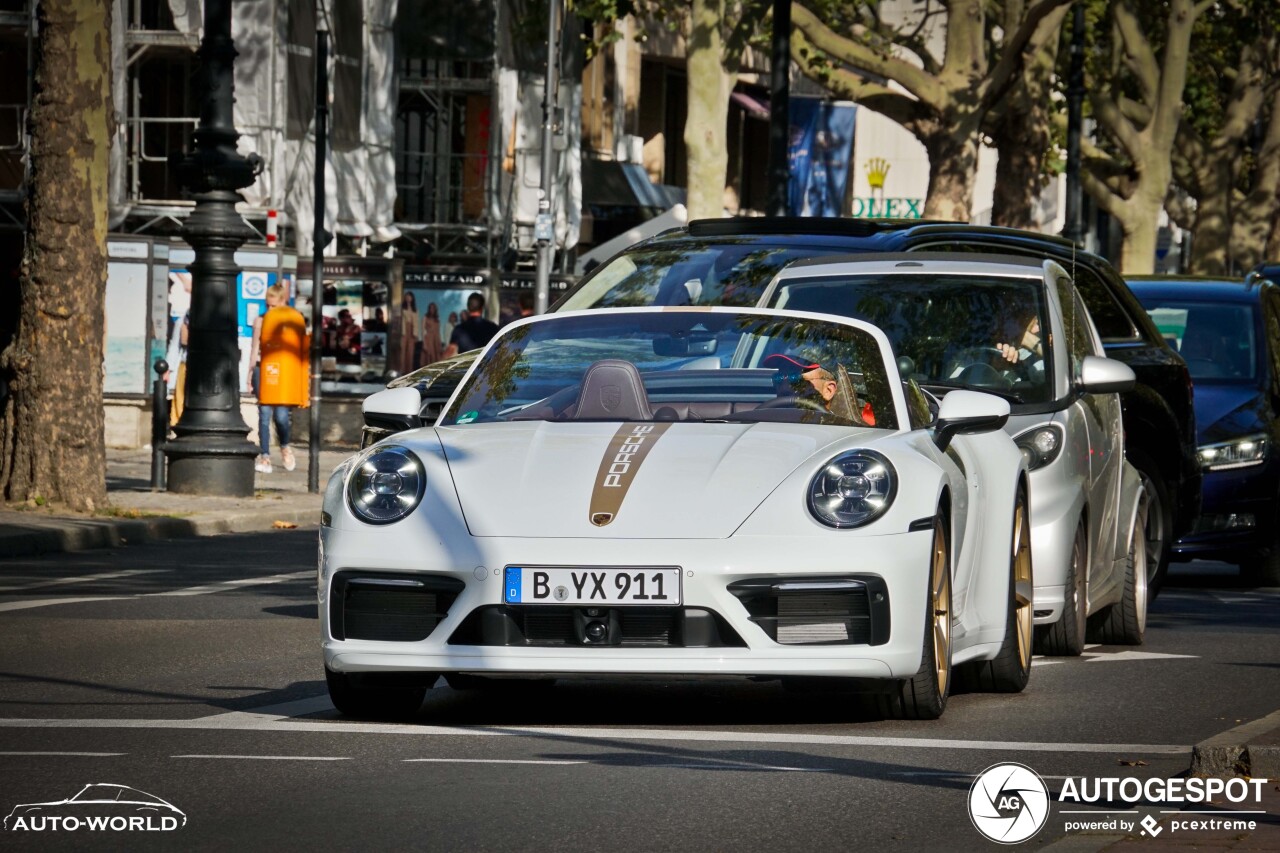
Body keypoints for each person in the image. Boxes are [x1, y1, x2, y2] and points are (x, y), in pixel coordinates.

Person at [248, 283, 309, 474]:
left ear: (283, 302)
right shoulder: (260, 320)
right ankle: (265, 456)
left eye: (273, 306)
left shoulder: (291, 321)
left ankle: (284, 446)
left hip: (283, 371)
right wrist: (250, 373)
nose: (270, 309)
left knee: (281, 416)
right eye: (268, 305)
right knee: (264, 414)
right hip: (262, 369)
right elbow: (254, 348)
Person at [443, 291, 499, 357]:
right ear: (482, 307)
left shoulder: (459, 329)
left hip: (466, 367)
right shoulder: (493, 328)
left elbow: (449, 352)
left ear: (468, 307)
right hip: (486, 366)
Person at [399, 292, 419, 371]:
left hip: (412, 331)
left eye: (410, 297)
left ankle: (408, 370)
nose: (408, 298)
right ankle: (401, 370)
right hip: (404, 330)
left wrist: (416, 334)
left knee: (410, 352)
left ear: (412, 298)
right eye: (407, 297)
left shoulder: (415, 309)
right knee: (402, 351)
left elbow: (416, 322)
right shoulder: (402, 308)